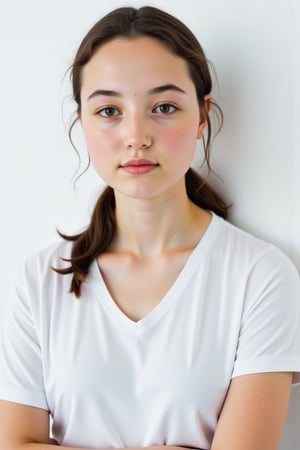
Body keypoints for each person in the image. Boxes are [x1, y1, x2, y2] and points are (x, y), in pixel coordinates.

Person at [0, 5, 299, 450]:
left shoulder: (261, 277)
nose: (136, 134)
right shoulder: (40, 281)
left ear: (201, 116)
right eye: (108, 110)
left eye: (163, 106)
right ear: (81, 120)